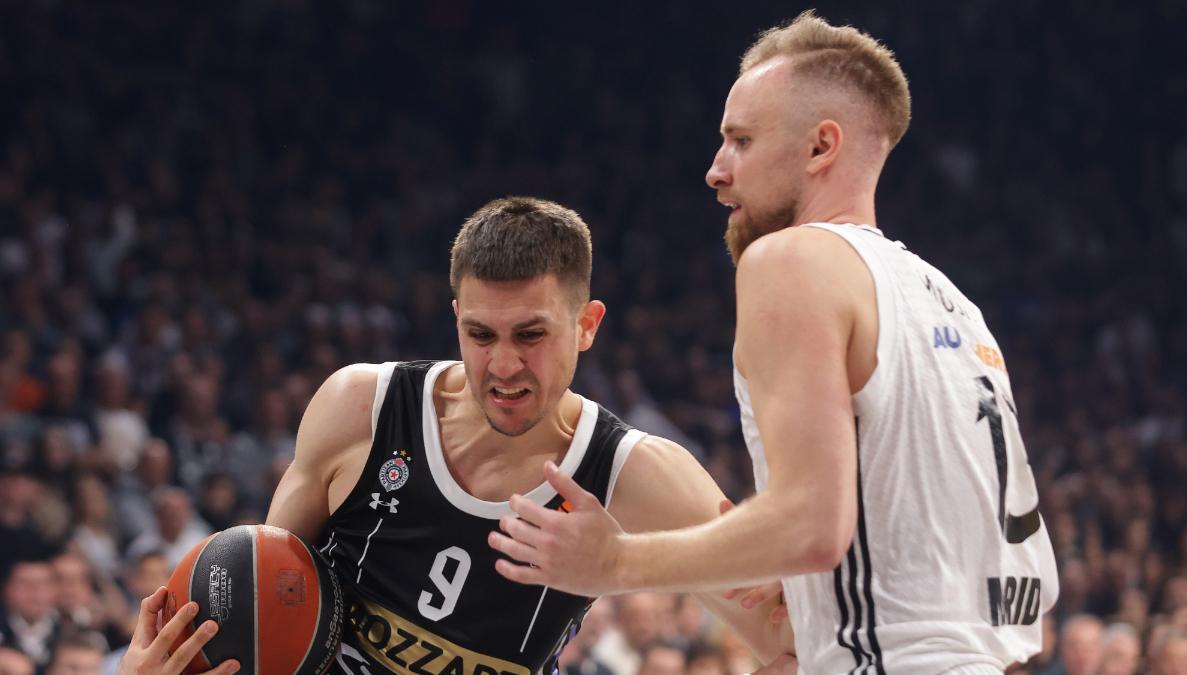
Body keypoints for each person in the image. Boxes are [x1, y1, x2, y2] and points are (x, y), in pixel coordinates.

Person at [487, 11, 1059, 674]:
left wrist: (613, 561)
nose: (715, 170)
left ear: (820, 148)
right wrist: (803, 584)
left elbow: (812, 526)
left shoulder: (790, 260)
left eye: (740, 141)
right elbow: (990, 587)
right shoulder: (957, 308)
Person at [118, 197, 792, 675]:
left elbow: (804, 649)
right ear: (455, 318)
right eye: (480, 334)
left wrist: (622, 563)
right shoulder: (361, 408)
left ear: (586, 325)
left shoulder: (636, 475)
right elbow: (268, 602)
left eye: (531, 334)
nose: (503, 365)